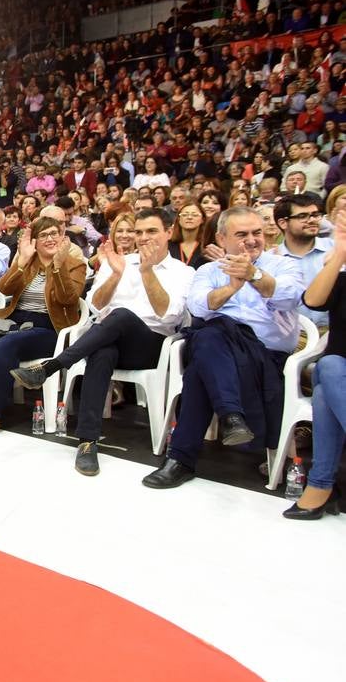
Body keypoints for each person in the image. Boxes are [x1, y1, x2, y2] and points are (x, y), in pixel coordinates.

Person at [14, 209, 195, 474]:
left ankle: (53, 366)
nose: (143, 238)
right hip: (107, 338)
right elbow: (96, 306)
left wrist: (147, 273)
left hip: (152, 345)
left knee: (120, 316)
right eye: (139, 232)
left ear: (169, 232)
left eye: (152, 231)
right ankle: (87, 442)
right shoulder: (118, 262)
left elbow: (169, 314)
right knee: (103, 351)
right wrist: (115, 275)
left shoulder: (183, 271)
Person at [142, 207, 305, 490]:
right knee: (212, 334)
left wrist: (253, 276)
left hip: (266, 355)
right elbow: (198, 306)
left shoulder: (284, 265)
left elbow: (291, 298)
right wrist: (231, 288)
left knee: (203, 355)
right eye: (242, 234)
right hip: (221, 352)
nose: (252, 240)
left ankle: (181, 458)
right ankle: (231, 417)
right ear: (222, 238)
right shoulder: (208, 271)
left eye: (257, 232)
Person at [0, 216, 86, 442]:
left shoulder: (74, 264)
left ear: (62, 237)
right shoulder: (28, 261)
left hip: (50, 327)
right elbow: (3, 288)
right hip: (17, 320)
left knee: (7, 344)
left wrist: (58, 267)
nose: (50, 239)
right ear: (35, 242)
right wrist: (21, 261)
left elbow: (69, 299)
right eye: (43, 235)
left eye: (54, 234)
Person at [284, 204, 346, 519]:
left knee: (325, 380)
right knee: (329, 367)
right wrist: (340, 253)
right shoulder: (337, 264)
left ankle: (321, 485)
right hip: (340, 364)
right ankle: (322, 484)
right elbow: (313, 300)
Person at [270, 193, 332, 329]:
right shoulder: (271, 259)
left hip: (335, 332)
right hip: (290, 336)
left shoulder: (336, 250)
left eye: (315, 215)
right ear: (283, 223)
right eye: (302, 216)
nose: (312, 220)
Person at [169, 203, 210, 268]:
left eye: (195, 215)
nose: (189, 217)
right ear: (179, 219)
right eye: (185, 215)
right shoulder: (168, 245)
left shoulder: (208, 246)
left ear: (202, 219)